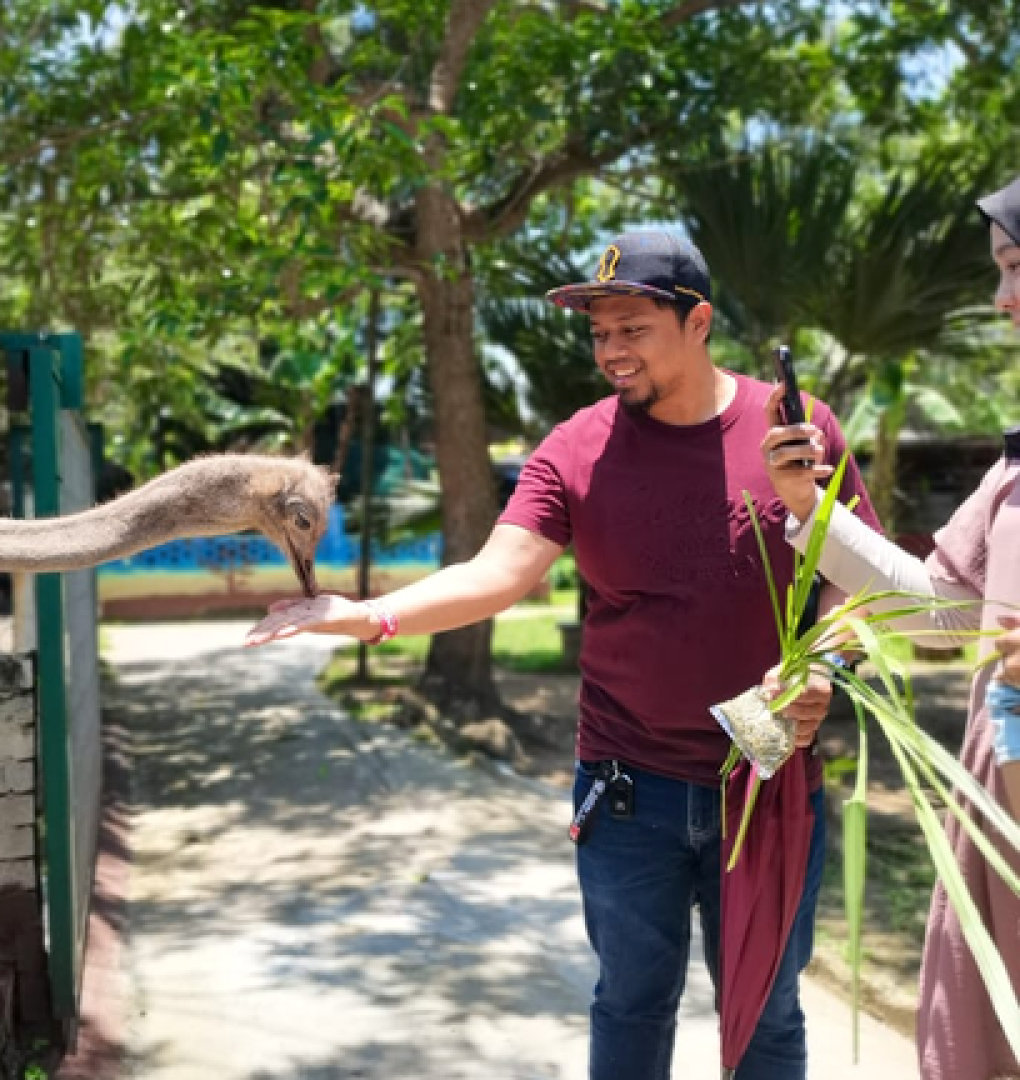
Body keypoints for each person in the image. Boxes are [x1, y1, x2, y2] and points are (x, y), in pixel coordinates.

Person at [246, 229, 880, 1079]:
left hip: (766, 786)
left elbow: (861, 583)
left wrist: (823, 672)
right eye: (598, 333)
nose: (610, 352)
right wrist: (367, 616)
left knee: (766, 1013)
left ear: (700, 323)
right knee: (630, 1003)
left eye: (632, 330)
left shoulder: (796, 431)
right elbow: (498, 572)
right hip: (628, 791)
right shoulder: (577, 446)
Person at [759, 174, 1020, 1080]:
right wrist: (807, 506)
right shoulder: (1012, 468)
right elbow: (942, 610)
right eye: (1000, 272)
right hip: (1000, 817)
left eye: (1017, 269)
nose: (1002, 299)